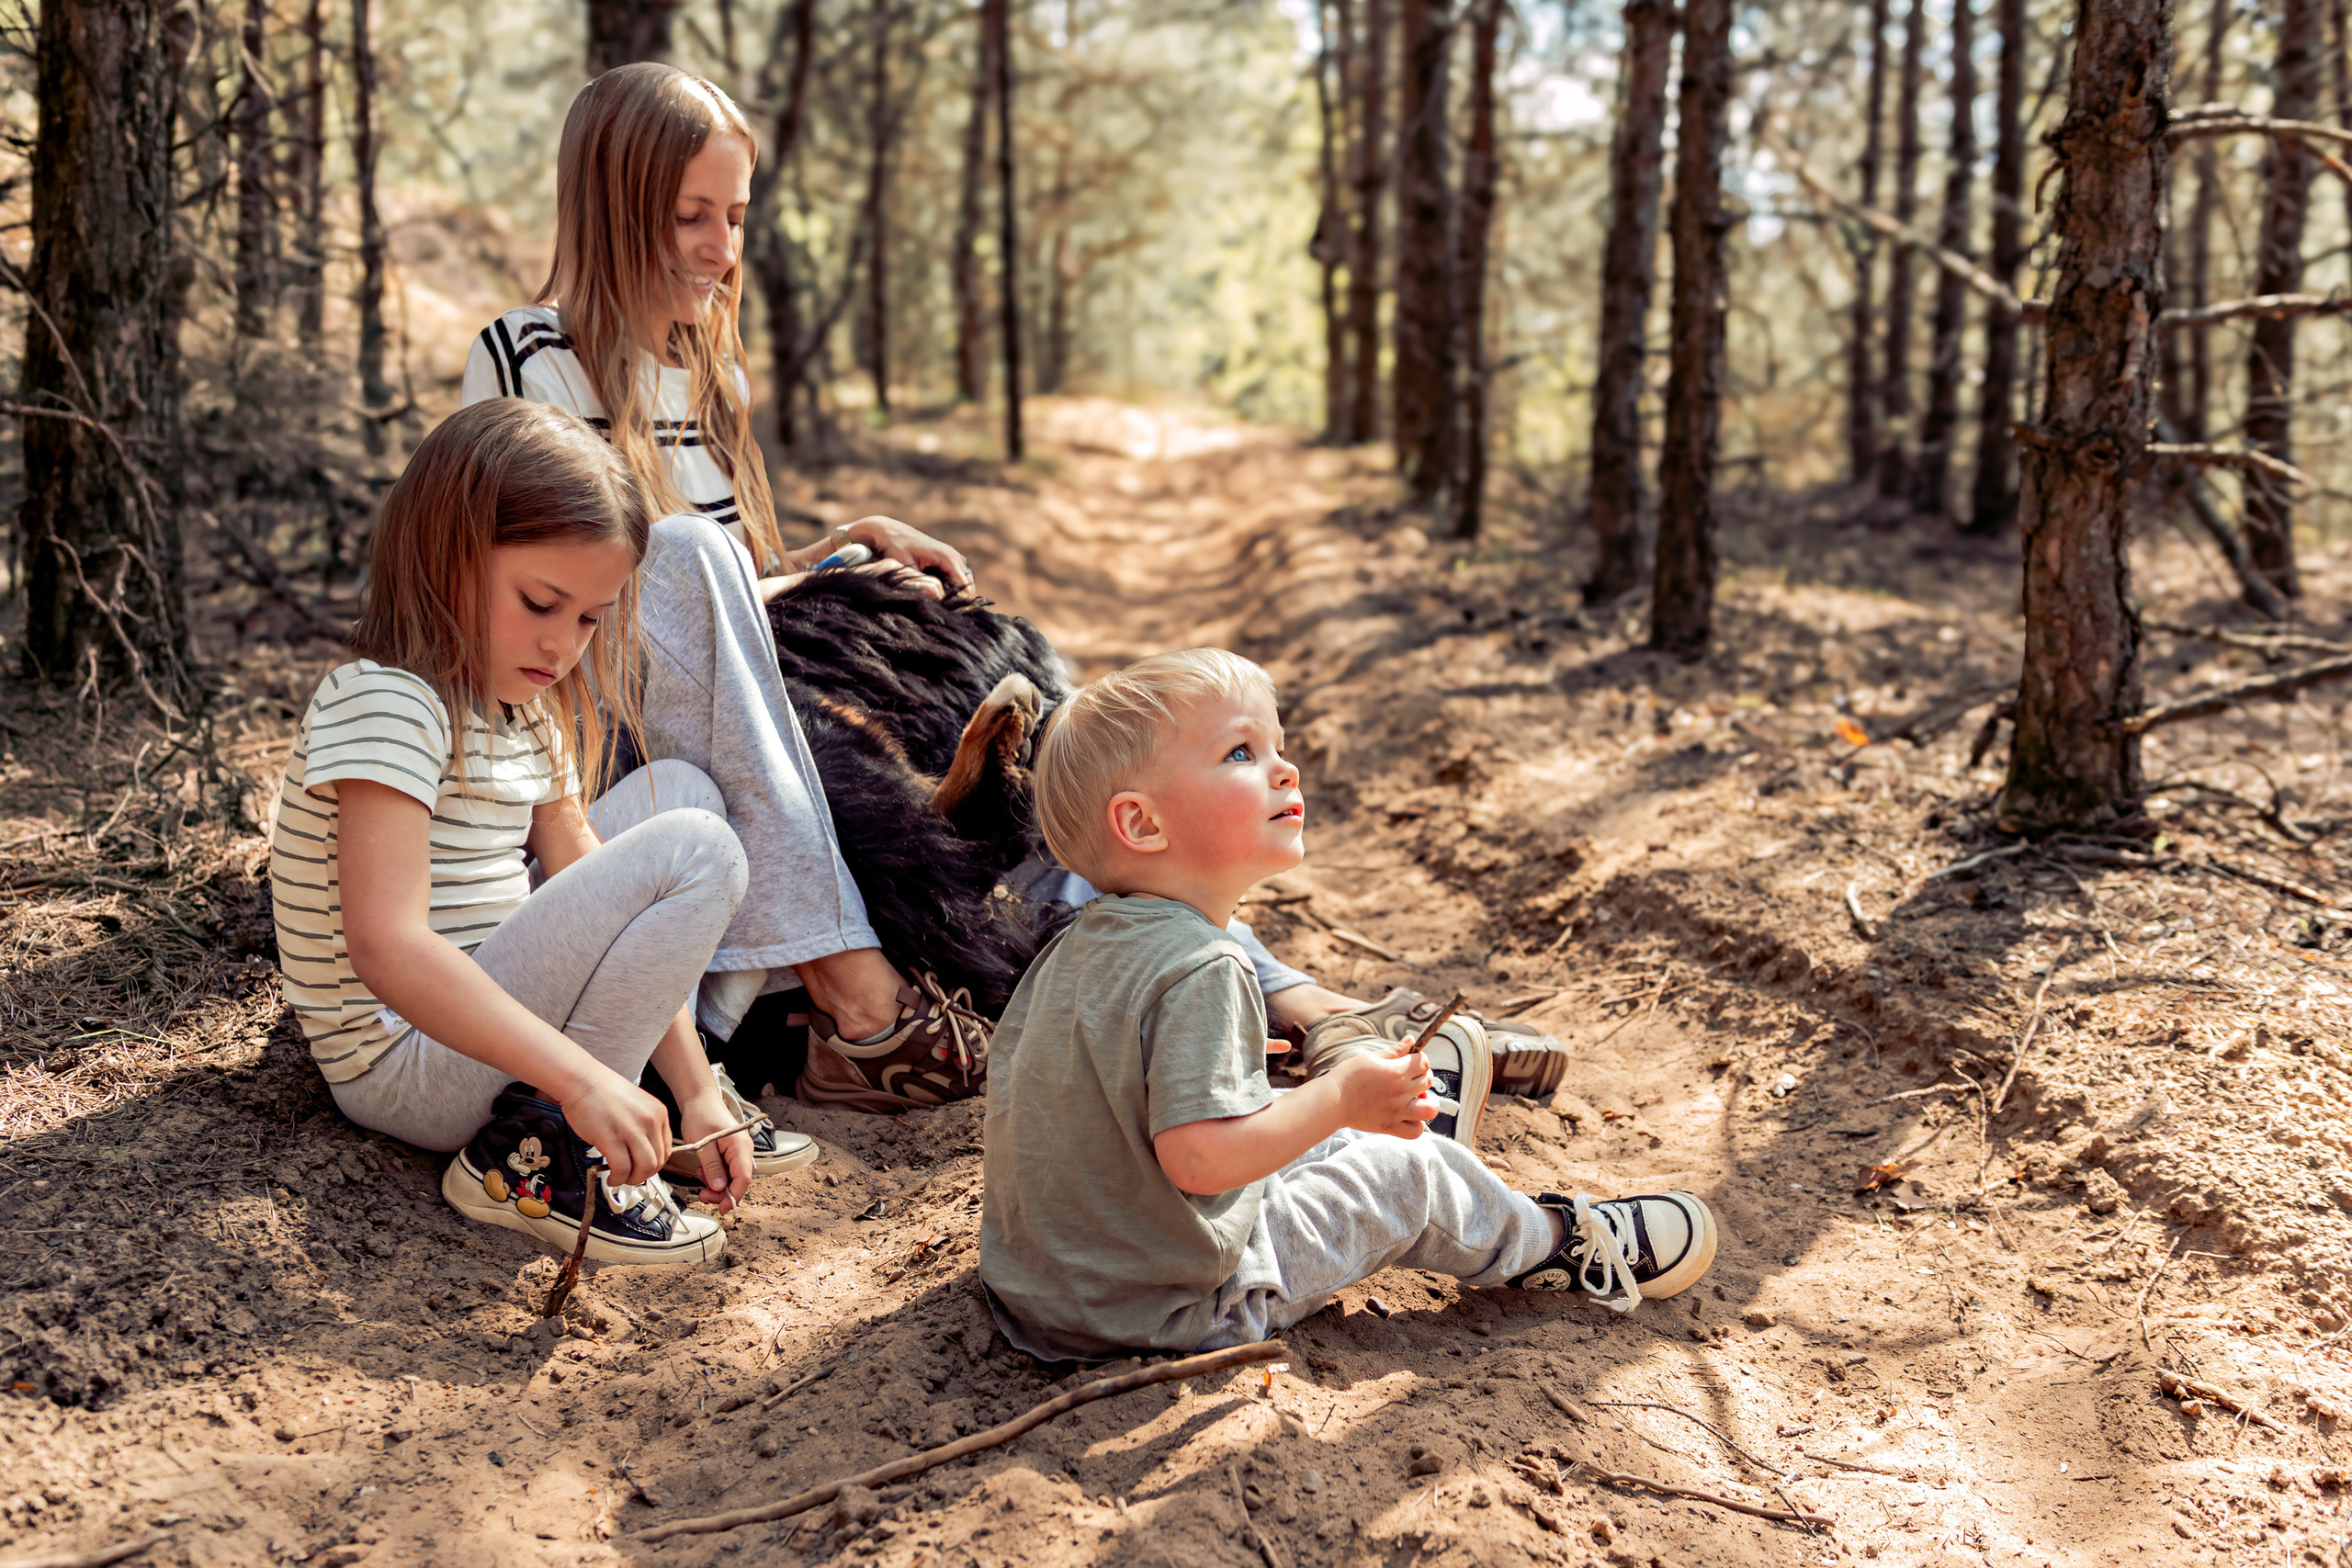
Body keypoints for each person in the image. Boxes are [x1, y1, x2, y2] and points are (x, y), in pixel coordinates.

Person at [458, 62, 1381, 1111]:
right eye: (688, 217)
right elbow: (582, 606)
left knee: (1022, 752)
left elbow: (726, 600)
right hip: (605, 740)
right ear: (613, 207)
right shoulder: (523, 357)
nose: (722, 249)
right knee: (699, 581)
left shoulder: (710, 372)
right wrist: (752, 580)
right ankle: (860, 989)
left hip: (728, 702)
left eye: (736, 217)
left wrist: (834, 557)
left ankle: (1274, 996)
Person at [978, 649, 1717, 1360]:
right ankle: (1552, 1242)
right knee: (1403, 1180)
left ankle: (1401, 1120)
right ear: (1143, 823)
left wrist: (1320, 1102)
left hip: (1050, 1286)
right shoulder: (1202, 965)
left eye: (1278, 744)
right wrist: (1333, 1097)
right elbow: (1201, 1158)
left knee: (1286, 1109)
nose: (1284, 768)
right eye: (1240, 753)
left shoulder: (1079, 947)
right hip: (1167, 1308)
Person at [268, 400, 814, 1266]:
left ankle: (626, 1101)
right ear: (450, 552)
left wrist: (699, 1090)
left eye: (591, 618)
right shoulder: (387, 701)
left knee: (684, 795)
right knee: (697, 850)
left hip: (487, 1013)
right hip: (406, 1062)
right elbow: (389, 949)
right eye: (540, 602)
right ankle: (543, 1147)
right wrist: (582, 1078)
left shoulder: (523, 715)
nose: (563, 645)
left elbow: (587, 875)